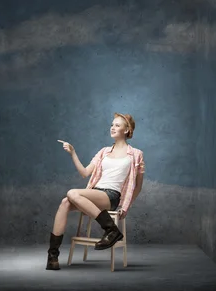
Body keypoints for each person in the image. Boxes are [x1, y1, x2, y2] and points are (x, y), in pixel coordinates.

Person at [46, 112, 145, 270]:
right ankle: (53, 256)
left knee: (72, 193)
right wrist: (73, 153)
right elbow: (85, 173)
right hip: (95, 193)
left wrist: (126, 206)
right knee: (65, 202)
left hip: (111, 196)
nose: (112, 128)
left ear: (126, 130)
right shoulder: (103, 151)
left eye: (117, 125)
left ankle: (111, 229)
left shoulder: (136, 155)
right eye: (112, 124)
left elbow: (137, 186)